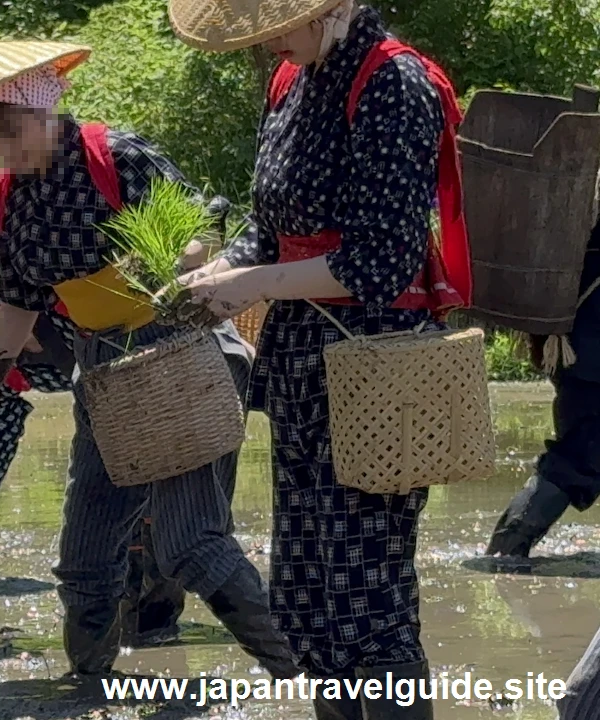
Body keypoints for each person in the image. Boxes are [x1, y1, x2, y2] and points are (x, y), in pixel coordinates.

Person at [0, 41, 297, 680]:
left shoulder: (114, 156)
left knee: (190, 544)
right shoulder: (5, 200)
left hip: (178, 349)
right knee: (86, 552)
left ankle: (306, 675)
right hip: (106, 373)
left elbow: (205, 233)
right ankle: (86, 683)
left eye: (10, 134)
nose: (3, 152)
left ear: (44, 112)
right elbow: (18, 299)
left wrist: (163, 261)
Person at [167, 1, 471, 716]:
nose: (266, 38)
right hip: (302, 362)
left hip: (377, 363)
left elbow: (380, 261)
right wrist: (215, 274)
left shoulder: (394, 83)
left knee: (371, 588)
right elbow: (271, 235)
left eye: (275, 22)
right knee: (308, 586)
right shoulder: (291, 79)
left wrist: (253, 284)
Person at [0, 240, 188, 644]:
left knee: (159, 537)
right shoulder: (1, 378)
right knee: (110, 549)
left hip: (166, 388)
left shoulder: (67, 311)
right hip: (111, 421)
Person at [487, 218, 600, 557]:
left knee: (582, 451)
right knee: (581, 454)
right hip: (589, 350)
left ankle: (506, 551)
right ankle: (507, 550)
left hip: (582, 344)